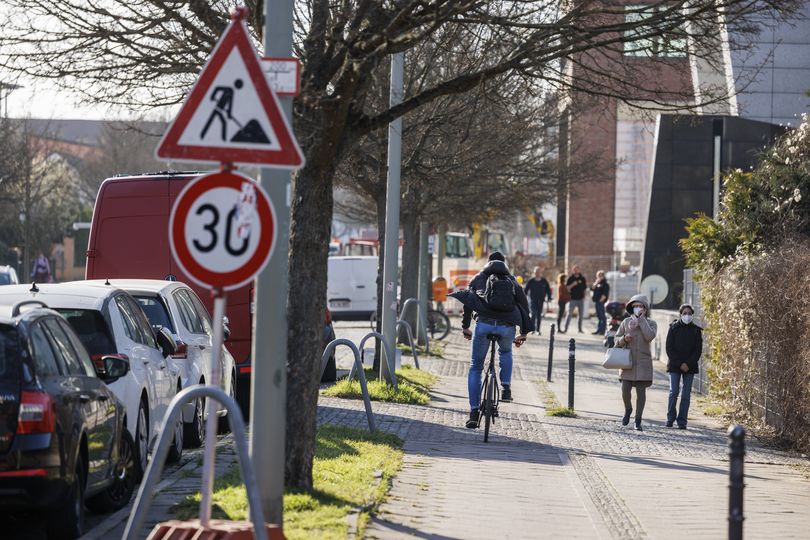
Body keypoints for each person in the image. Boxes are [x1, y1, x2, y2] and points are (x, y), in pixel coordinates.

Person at [451, 252, 530, 429]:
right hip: (507, 326)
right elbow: (524, 306)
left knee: (476, 367)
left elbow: (468, 302)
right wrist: (523, 332)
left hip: (484, 325)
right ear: (504, 263)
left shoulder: (479, 277)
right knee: (506, 351)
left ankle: (473, 412)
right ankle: (506, 388)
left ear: (488, 263)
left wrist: (465, 327)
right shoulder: (512, 280)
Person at [615, 294, 657, 431]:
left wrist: (642, 321)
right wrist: (624, 339)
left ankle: (638, 419)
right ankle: (628, 409)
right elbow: (616, 341)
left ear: (645, 308)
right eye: (635, 306)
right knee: (625, 390)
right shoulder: (626, 322)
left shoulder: (651, 323)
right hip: (628, 362)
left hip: (643, 362)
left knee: (641, 392)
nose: (637, 308)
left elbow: (649, 336)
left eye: (640, 306)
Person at [665, 304, 702, 429]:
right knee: (674, 391)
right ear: (680, 314)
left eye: (689, 313)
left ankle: (682, 421)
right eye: (685, 313)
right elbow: (669, 348)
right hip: (675, 365)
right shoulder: (674, 328)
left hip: (690, 366)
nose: (687, 315)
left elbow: (698, 350)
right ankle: (670, 418)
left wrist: (688, 363)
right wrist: (680, 363)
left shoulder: (696, 330)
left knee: (686, 394)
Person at [523, 266, 552, 335]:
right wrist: (523, 298)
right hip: (532, 300)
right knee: (533, 314)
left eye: (538, 272)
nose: (537, 273)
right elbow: (525, 290)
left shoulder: (544, 281)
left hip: (541, 300)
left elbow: (548, 290)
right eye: (536, 272)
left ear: (540, 273)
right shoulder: (531, 281)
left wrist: (549, 297)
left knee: (539, 315)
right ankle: (532, 329)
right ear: (534, 272)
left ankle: (538, 330)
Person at [563, 265, 587, 333]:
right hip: (572, 299)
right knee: (569, 314)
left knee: (581, 315)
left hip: (581, 299)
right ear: (573, 270)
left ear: (579, 270)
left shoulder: (582, 278)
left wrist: (584, 296)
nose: (576, 270)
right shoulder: (570, 278)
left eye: (577, 269)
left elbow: (584, 289)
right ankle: (565, 328)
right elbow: (567, 288)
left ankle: (580, 329)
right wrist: (573, 284)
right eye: (575, 269)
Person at [590, 270, 610, 335]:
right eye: (598, 276)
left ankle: (602, 330)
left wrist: (601, 301)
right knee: (599, 316)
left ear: (603, 276)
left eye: (600, 276)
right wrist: (596, 282)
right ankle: (598, 330)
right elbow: (592, 288)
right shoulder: (598, 283)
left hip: (601, 302)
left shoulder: (605, 284)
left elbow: (605, 294)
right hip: (596, 302)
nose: (599, 277)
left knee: (602, 316)